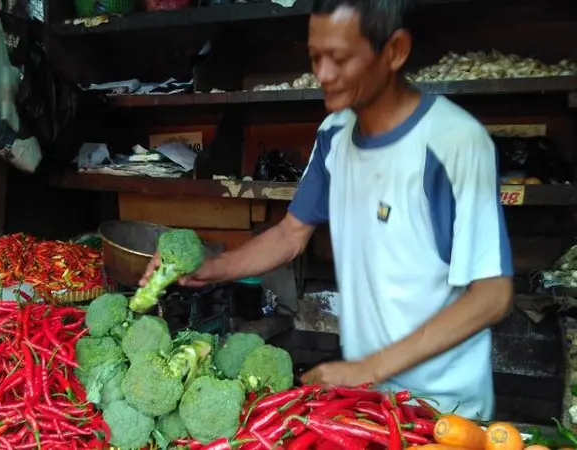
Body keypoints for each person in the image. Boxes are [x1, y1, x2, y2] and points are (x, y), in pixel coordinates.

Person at [139, 0, 513, 419]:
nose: (323, 74)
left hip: (443, 408)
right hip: (365, 398)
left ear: (395, 51)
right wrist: (212, 267)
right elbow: (290, 233)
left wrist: (368, 368)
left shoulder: (454, 143)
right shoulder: (335, 134)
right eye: (316, 57)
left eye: (340, 58)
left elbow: (492, 295)